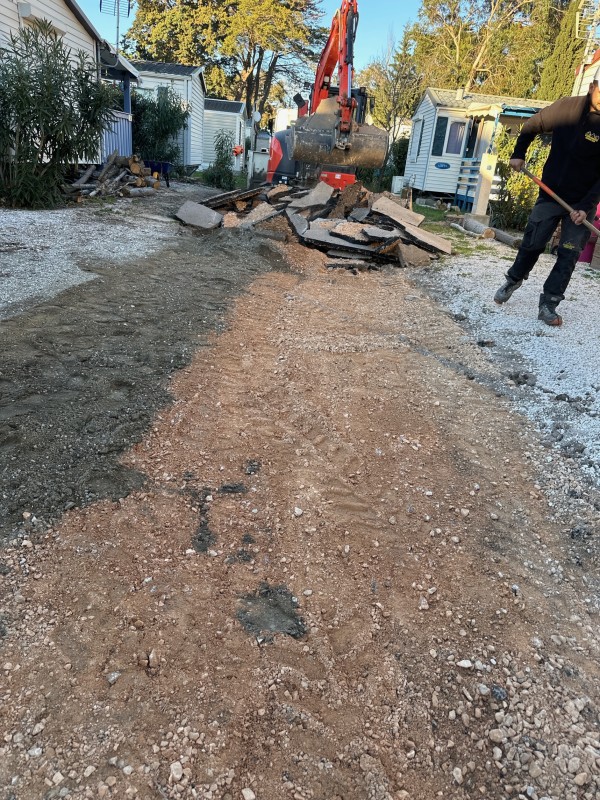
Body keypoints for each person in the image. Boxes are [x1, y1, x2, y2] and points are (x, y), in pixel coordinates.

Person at [494, 69, 600, 326]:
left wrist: (585, 206)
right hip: (551, 193)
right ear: (592, 87)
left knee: (569, 254)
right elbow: (533, 125)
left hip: (582, 202)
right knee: (533, 243)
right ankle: (513, 279)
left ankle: (549, 303)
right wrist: (519, 153)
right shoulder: (566, 108)